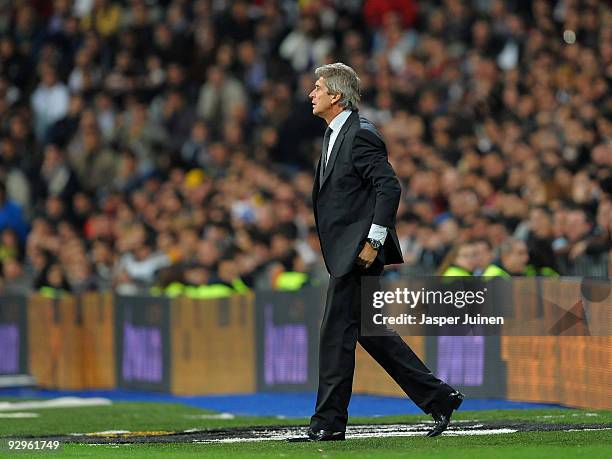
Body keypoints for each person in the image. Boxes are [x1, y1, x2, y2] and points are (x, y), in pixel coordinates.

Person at [295, 63, 463, 442]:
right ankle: (439, 396)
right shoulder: (335, 133)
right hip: (348, 250)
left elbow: (390, 187)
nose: (312, 93)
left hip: (359, 251)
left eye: (318, 87)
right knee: (370, 332)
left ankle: (328, 422)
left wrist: (373, 242)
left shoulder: (360, 134)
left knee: (334, 335)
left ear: (336, 96)